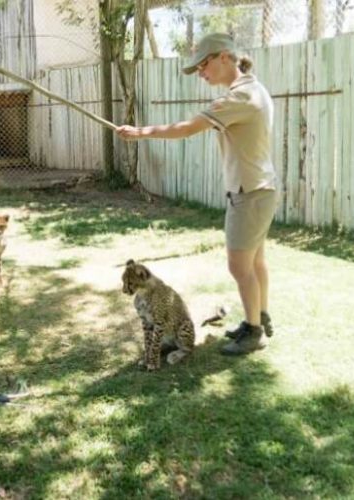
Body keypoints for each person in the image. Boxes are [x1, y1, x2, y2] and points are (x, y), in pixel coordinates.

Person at [116, 33, 279, 356]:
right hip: (259, 189)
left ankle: (255, 332)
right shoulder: (252, 88)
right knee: (256, 261)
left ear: (223, 57)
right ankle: (257, 317)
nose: (201, 73)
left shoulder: (239, 98)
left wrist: (140, 133)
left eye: (203, 65)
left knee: (239, 266)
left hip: (249, 193)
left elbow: (187, 128)